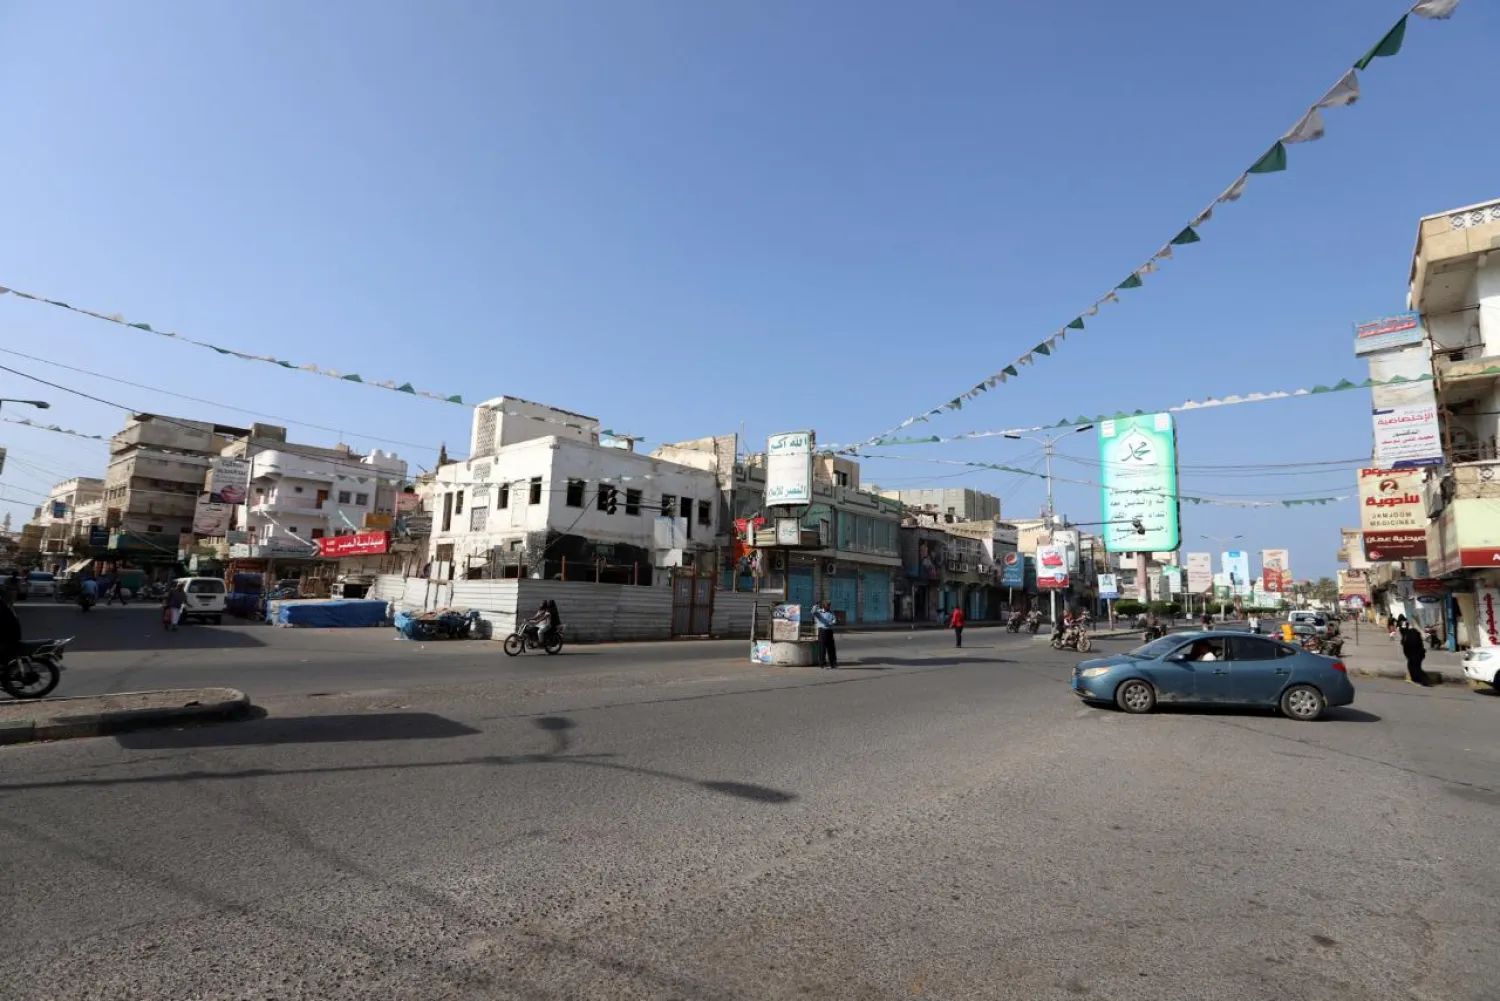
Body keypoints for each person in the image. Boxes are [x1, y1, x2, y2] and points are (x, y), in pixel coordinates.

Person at [1399, 621, 1433, 687]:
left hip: (1413, 656)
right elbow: (1421, 645)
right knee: (1417, 668)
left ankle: (1424, 681)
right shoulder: (1416, 635)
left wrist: (1407, 656)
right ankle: (1422, 680)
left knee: (1414, 668)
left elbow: (1406, 648)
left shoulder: (1407, 637)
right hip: (1419, 655)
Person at [813, 602, 838, 669]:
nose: (828, 607)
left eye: (829, 605)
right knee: (822, 648)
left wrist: (829, 623)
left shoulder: (831, 612)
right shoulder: (819, 612)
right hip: (822, 631)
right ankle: (822, 664)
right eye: (827, 605)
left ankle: (833, 663)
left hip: (829, 631)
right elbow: (813, 612)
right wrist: (816, 605)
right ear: (823, 606)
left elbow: (834, 620)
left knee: (831, 648)